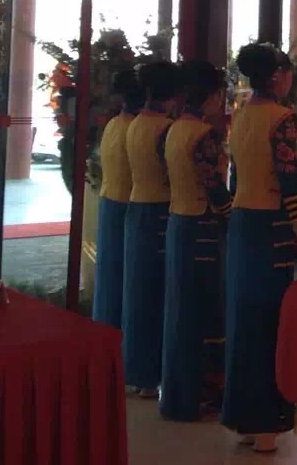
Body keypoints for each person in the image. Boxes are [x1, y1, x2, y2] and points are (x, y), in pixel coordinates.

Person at [222, 43, 297, 454]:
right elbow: (287, 182)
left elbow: (236, 176)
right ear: (277, 76)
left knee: (243, 320)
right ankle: (266, 423)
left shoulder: (242, 115)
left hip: (242, 223)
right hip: (270, 228)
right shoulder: (281, 119)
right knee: (270, 323)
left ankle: (244, 418)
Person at [160, 60, 232, 421]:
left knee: (179, 310)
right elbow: (215, 187)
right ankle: (202, 394)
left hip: (178, 221)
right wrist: (233, 217)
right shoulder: (205, 136)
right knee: (206, 311)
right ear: (212, 96)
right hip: (202, 227)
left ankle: (177, 396)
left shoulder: (173, 130)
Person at [122, 60, 182, 397]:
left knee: (137, 291)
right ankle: (152, 374)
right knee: (159, 294)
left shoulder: (134, 123)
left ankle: (135, 370)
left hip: (136, 208)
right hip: (160, 210)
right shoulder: (166, 128)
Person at [92, 69, 143, 329]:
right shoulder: (136, 129)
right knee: (126, 278)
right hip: (127, 205)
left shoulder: (113, 124)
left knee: (108, 274)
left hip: (109, 202)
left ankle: (103, 329)